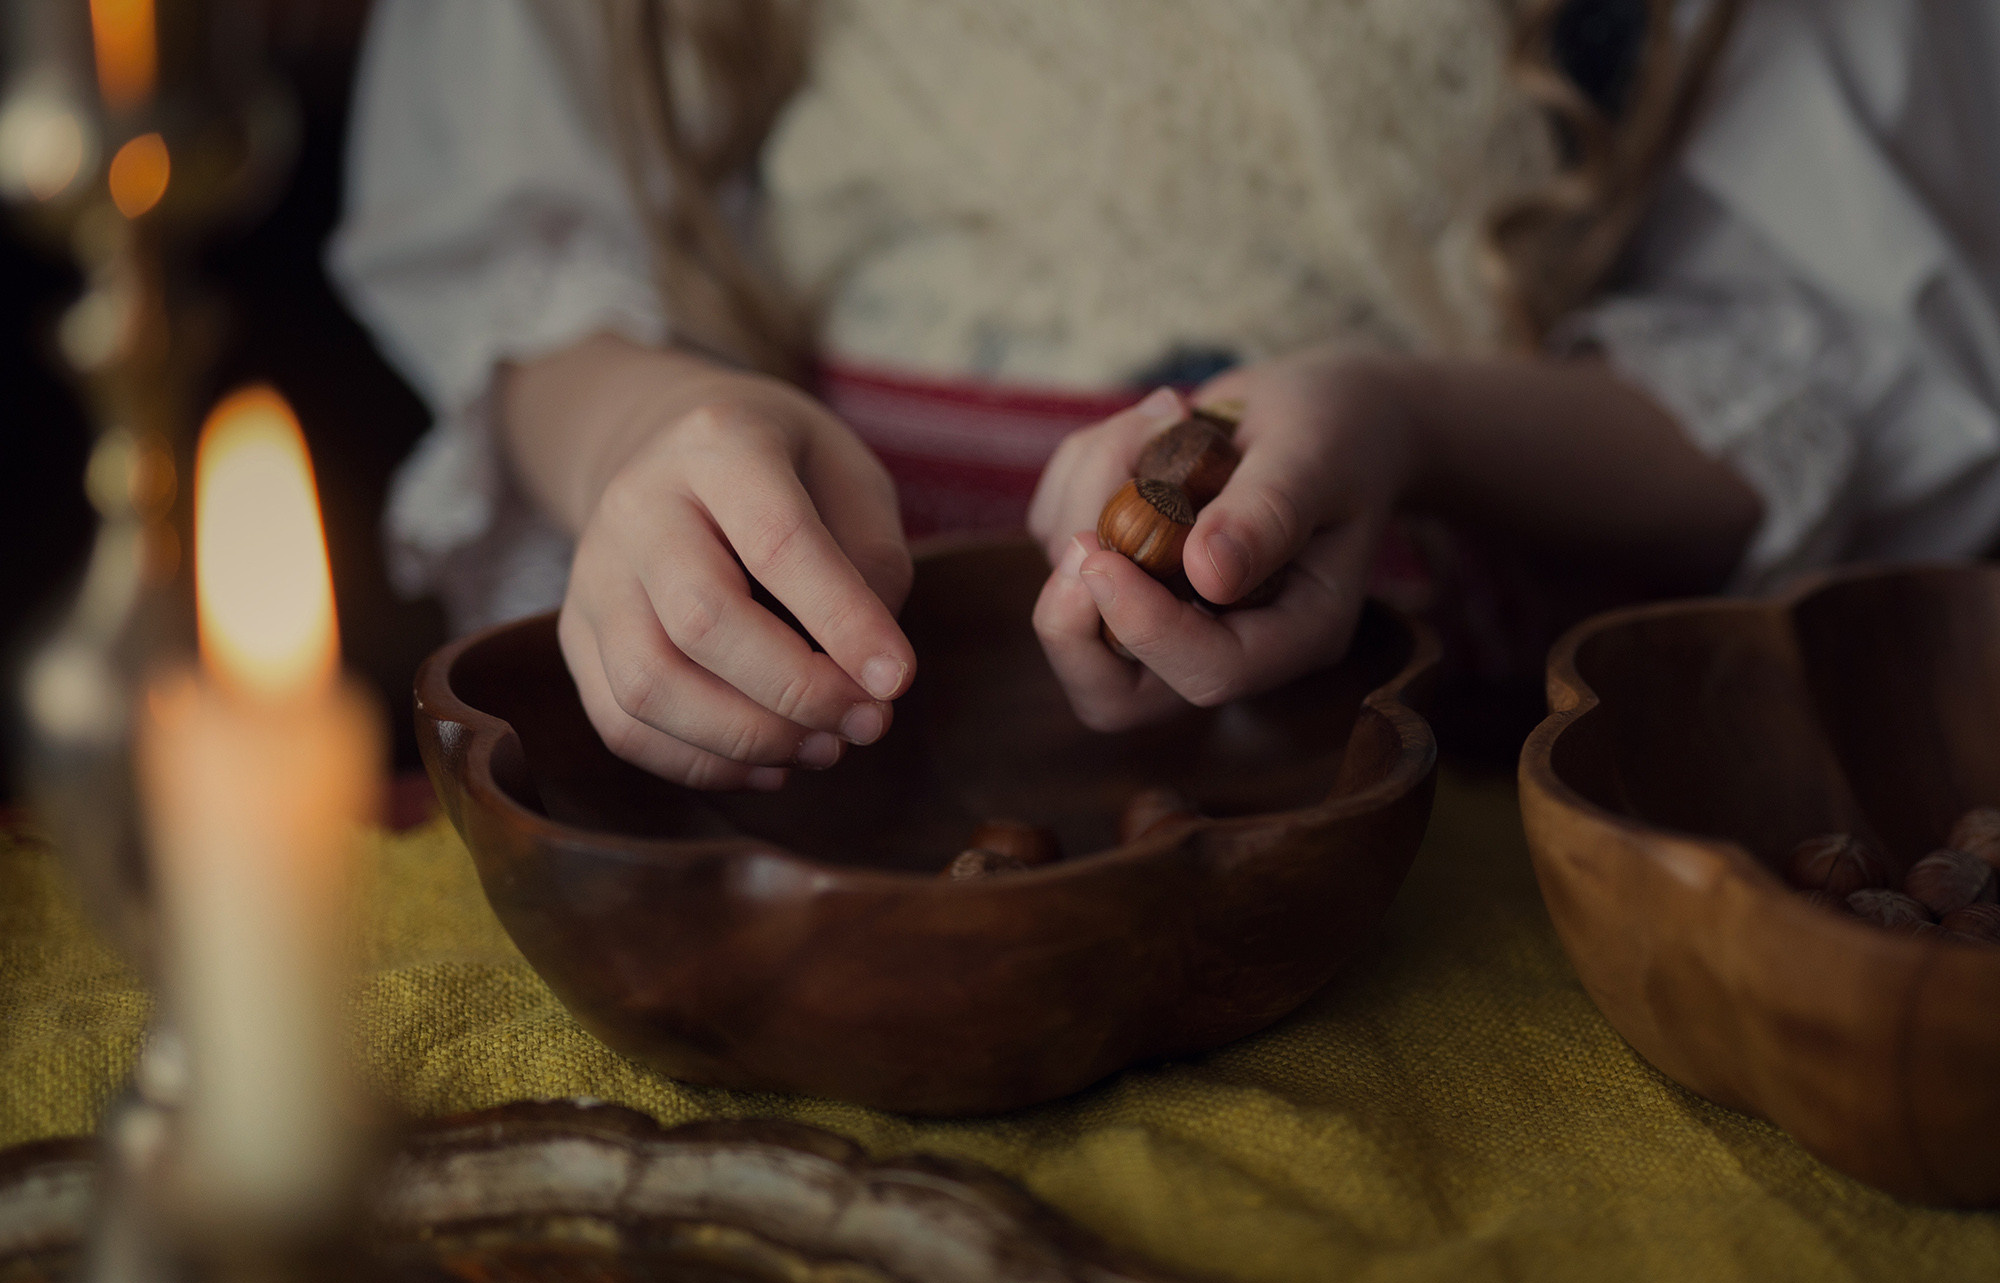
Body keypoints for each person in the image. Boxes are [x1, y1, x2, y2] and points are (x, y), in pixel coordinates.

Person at [332, 0, 2000, 791]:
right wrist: (640, 435)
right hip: (834, 781)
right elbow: (509, 256)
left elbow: (1836, 353)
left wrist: (1406, 419)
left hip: (1436, 786)